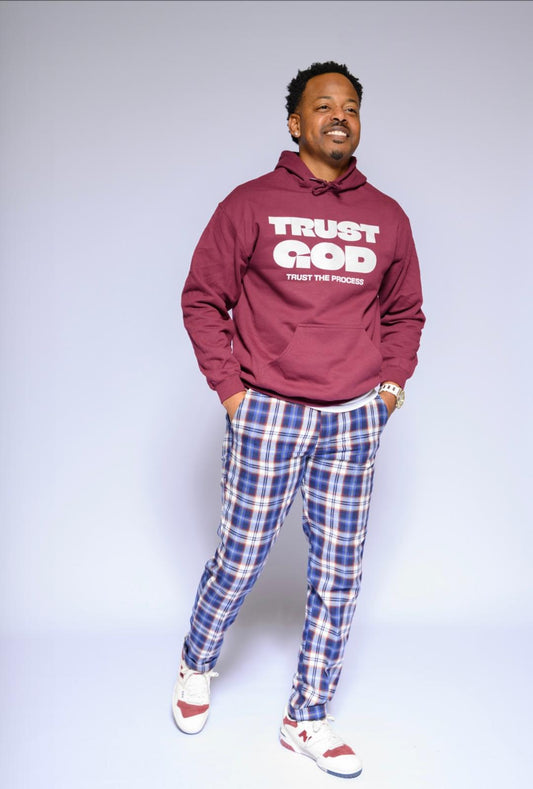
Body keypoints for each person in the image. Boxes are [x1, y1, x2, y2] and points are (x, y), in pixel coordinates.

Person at [173, 61, 425, 780]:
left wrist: (389, 390)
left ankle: (306, 715)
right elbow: (202, 299)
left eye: (350, 106)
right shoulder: (250, 203)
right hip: (268, 412)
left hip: (353, 418)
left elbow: (405, 312)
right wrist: (232, 393)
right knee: (241, 555)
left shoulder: (388, 216)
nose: (339, 116)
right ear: (295, 122)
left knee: (339, 574)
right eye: (323, 105)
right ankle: (196, 662)